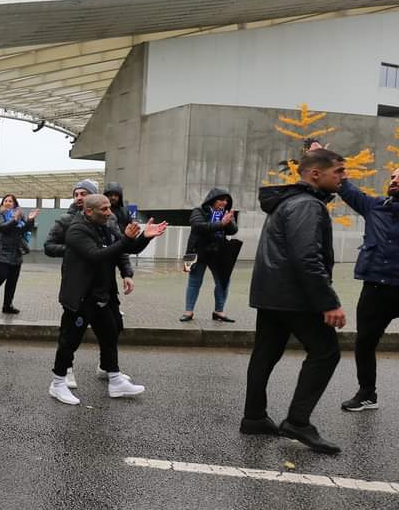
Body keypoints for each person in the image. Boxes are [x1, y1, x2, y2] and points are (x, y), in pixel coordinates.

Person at [242, 147, 347, 454]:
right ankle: (298, 422)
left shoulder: (288, 202)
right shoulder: (307, 205)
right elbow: (306, 258)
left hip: (272, 293)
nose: (344, 177)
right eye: (338, 171)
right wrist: (329, 301)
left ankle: (254, 417)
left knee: (266, 352)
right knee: (326, 352)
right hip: (295, 296)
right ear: (316, 173)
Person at [49, 194, 167, 405]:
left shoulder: (106, 225)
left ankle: (115, 380)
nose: (109, 212)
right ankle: (58, 383)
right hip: (81, 297)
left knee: (110, 335)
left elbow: (124, 249)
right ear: (88, 212)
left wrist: (144, 237)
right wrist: (126, 240)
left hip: (103, 296)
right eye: (103, 209)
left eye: (109, 208)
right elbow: (96, 255)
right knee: (69, 342)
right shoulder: (76, 230)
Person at [44, 179, 134, 389]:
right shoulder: (67, 221)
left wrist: (126, 273)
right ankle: (64, 373)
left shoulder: (107, 219)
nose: (79, 197)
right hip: (81, 286)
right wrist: (75, 250)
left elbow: (119, 246)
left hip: (105, 285)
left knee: (112, 328)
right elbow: (49, 246)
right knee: (71, 334)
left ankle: (109, 369)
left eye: (84, 193)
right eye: (76, 193)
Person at [332, 154, 399, 412]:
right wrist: (326, 161)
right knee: (365, 342)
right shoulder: (375, 207)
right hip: (375, 289)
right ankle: (367, 393)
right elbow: (345, 187)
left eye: (398, 178)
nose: (393, 180)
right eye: (392, 176)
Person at [181, 188, 239, 323]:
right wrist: (221, 224)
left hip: (219, 253)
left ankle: (219, 312)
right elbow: (198, 226)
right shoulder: (199, 211)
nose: (224, 203)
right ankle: (188, 312)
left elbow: (233, 230)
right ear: (212, 200)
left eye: (226, 200)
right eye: (221, 199)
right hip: (197, 251)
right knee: (194, 282)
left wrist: (228, 222)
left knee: (223, 282)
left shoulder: (226, 214)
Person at [0, 194, 38, 315]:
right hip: (0, 250)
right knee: (1, 276)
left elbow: (24, 230)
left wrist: (30, 220)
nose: (7, 202)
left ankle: (7, 305)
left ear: (15, 204)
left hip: (15, 251)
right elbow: (3, 227)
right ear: (2, 203)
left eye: (10, 201)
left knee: (12, 280)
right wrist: (15, 220)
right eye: (5, 201)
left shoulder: (19, 215)